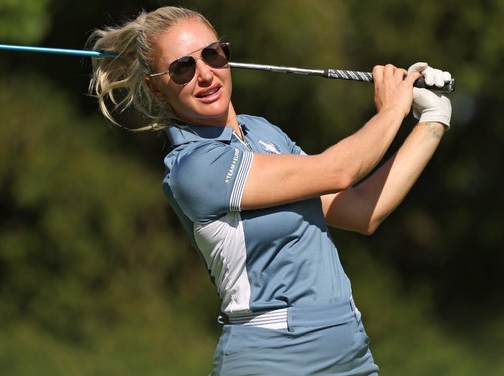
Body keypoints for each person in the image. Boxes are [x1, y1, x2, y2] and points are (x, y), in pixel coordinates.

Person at [88, 6, 452, 376]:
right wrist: (392, 109)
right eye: (183, 67)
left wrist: (432, 121)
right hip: (270, 359)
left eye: (213, 54)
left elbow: (360, 211)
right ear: (156, 86)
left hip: (349, 352)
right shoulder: (193, 168)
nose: (205, 74)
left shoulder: (264, 133)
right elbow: (338, 171)